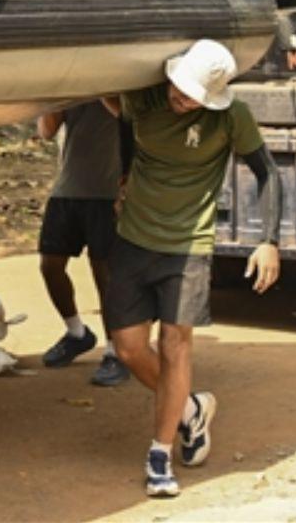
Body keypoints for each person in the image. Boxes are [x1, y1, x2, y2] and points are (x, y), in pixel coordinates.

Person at [103, 39, 281, 498]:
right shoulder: (144, 98)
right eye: (178, 91)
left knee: (175, 344)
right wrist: (125, 174)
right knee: (128, 349)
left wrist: (268, 241)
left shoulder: (231, 117)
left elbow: (267, 172)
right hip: (132, 239)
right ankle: (190, 408)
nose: (180, 102)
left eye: (190, 98)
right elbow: (127, 128)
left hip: (189, 245)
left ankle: (160, 454)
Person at [36, 102, 129, 386]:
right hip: (68, 190)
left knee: (105, 274)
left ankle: (117, 351)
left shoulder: (121, 89)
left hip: (108, 193)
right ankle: (76, 333)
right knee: (50, 265)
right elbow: (46, 132)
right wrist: (56, 99)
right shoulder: (72, 90)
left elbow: (131, 121)